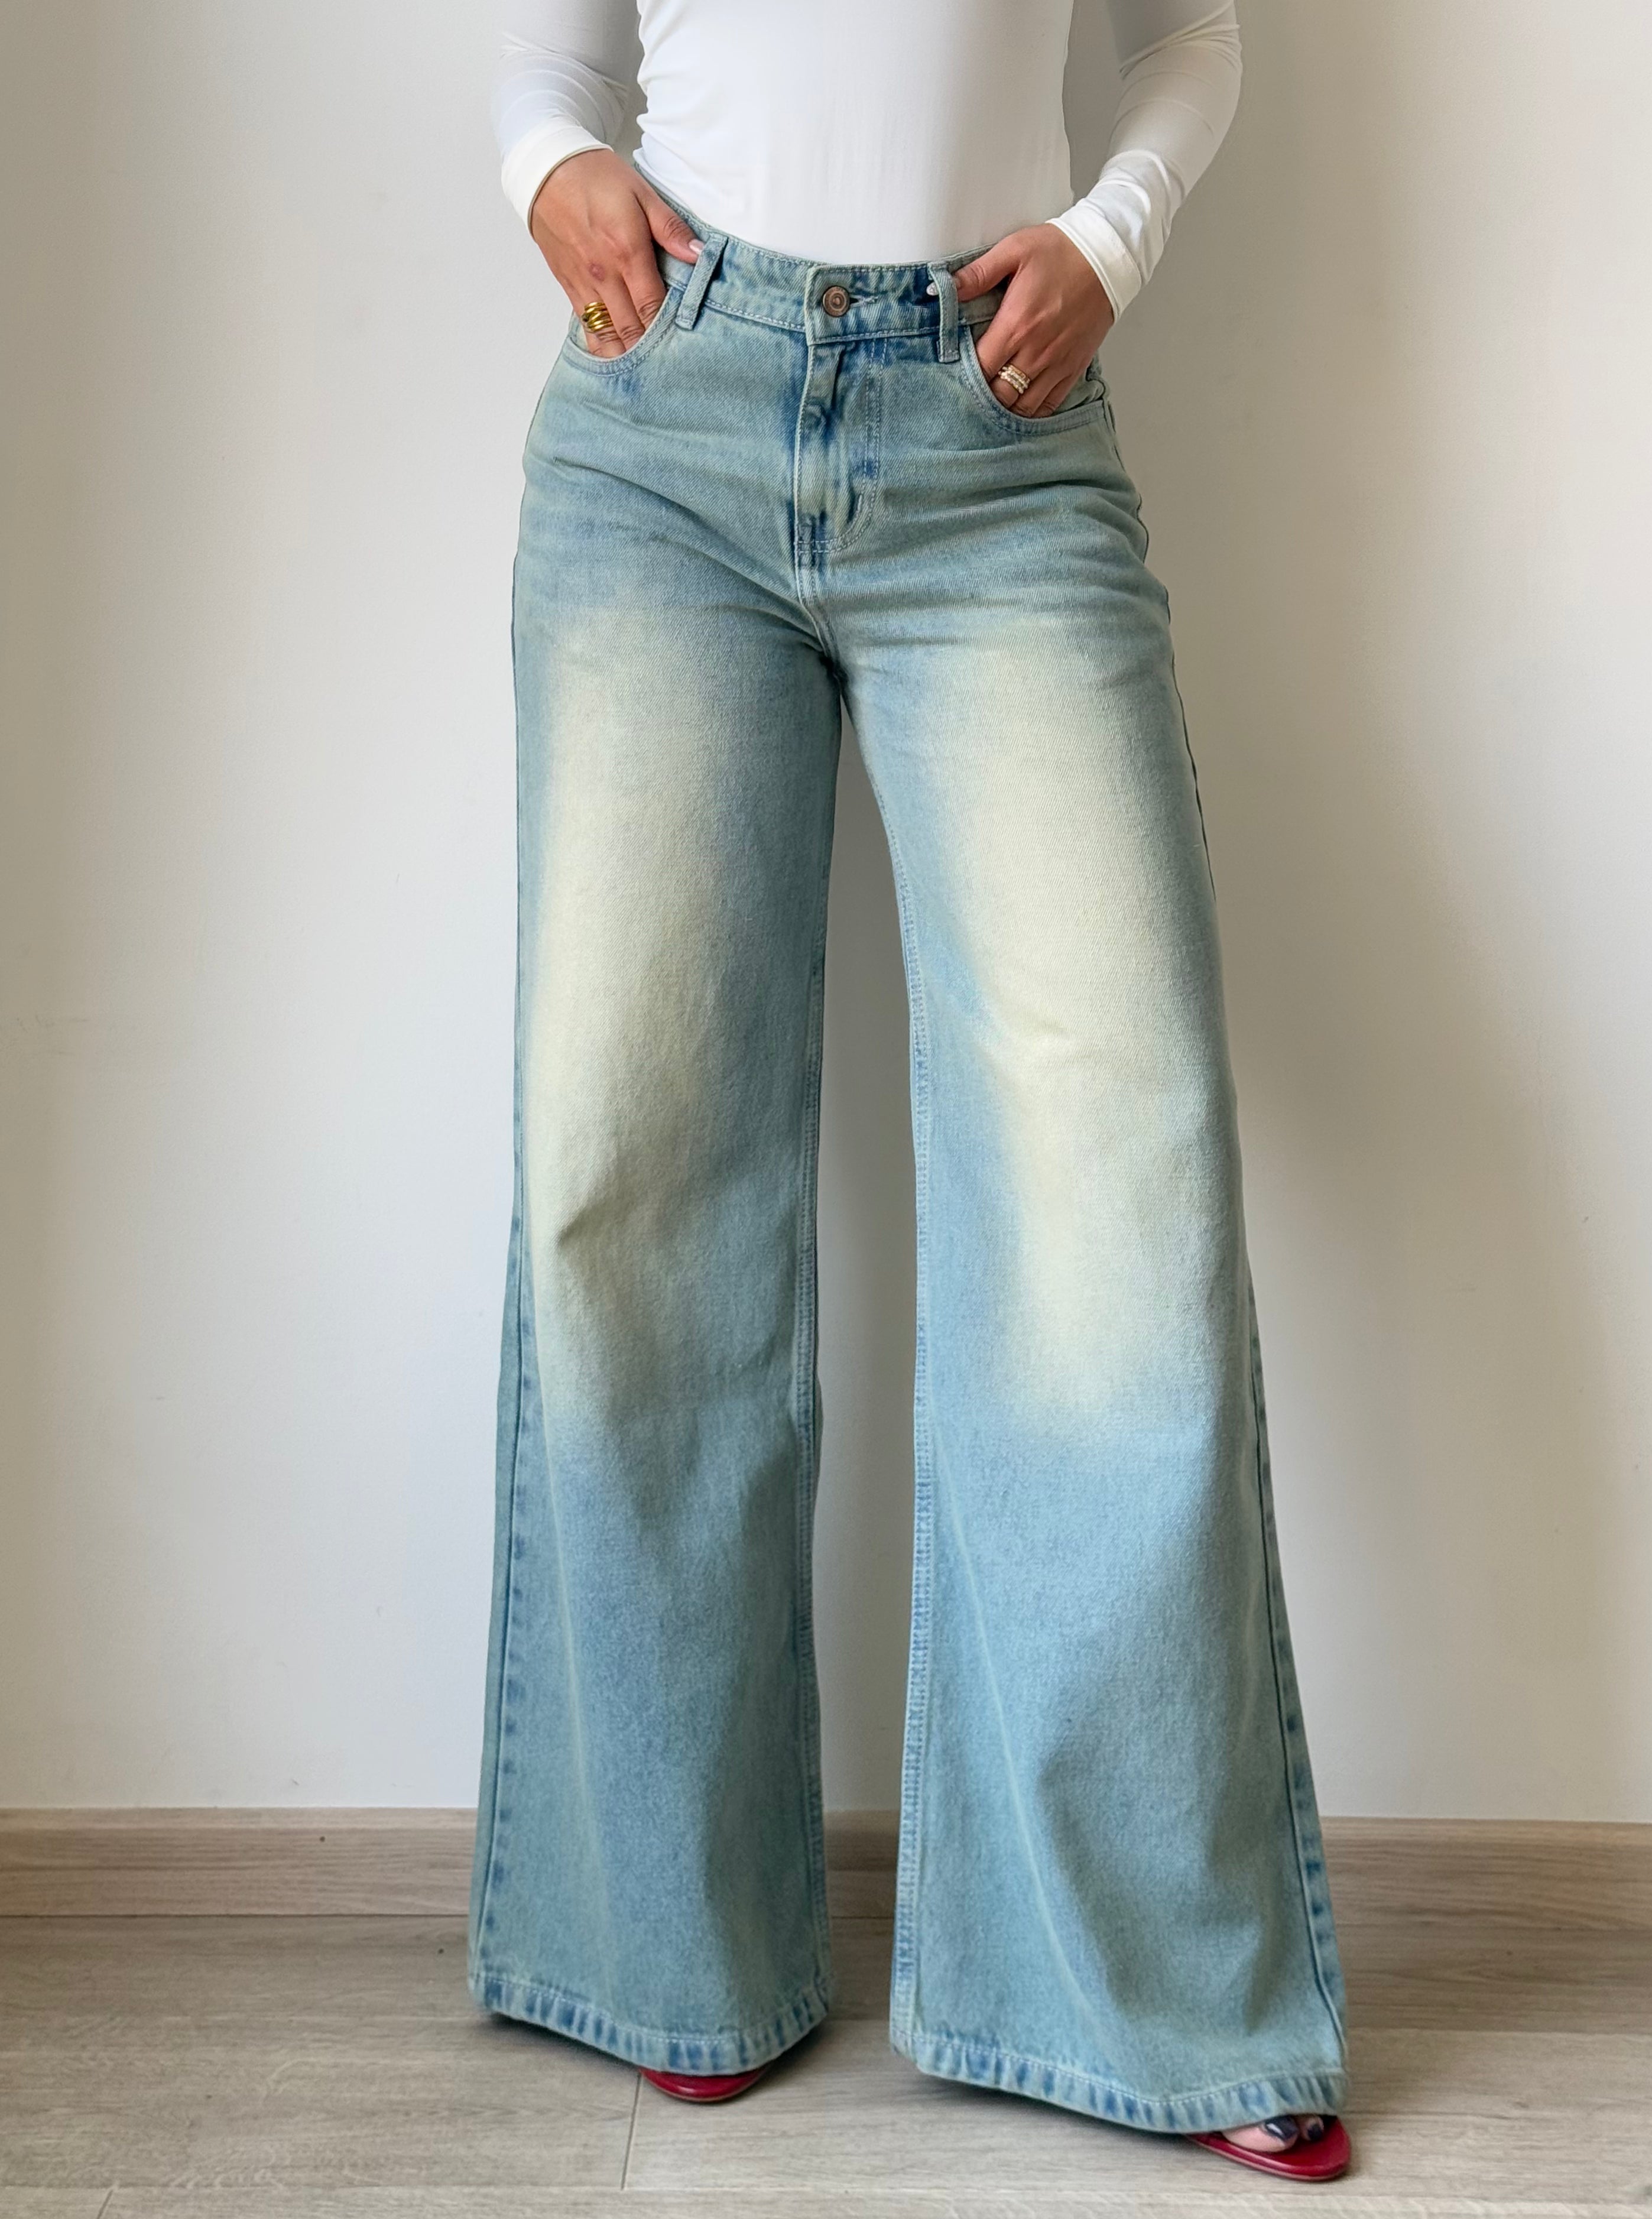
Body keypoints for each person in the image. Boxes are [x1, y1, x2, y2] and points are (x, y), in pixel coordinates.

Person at [466, 0, 1351, 2185]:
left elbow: (1187, 39)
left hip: (998, 439)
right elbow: (549, 54)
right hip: (661, 430)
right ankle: (663, 1948)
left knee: (1116, 1192)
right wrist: (547, 173)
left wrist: (1114, 239)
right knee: (628, 1180)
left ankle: (1151, 1997)